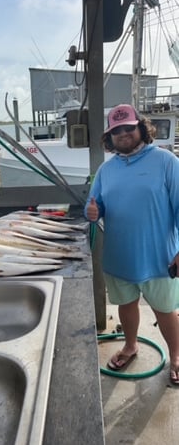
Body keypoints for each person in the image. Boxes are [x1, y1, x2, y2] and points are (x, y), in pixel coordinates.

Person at [84, 103, 179, 385]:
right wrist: (92, 212)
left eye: (129, 127)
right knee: (126, 305)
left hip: (160, 257)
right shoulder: (106, 169)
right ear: (109, 137)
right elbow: (94, 205)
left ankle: (176, 355)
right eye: (116, 130)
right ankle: (130, 345)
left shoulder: (166, 161)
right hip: (119, 258)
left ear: (141, 128)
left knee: (166, 310)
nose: (123, 134)